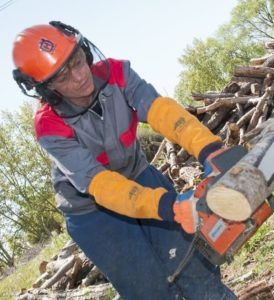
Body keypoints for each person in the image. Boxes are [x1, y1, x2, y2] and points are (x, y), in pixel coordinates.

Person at [12, 21, 237, 300]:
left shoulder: (117, 73)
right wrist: (167, 206)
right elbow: (102, 185)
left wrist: (208, 149)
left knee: (191, 262)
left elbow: (161, 111)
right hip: (92, 210)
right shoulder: (49, 126)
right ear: (46, 89)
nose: (80, 76)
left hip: (138, 172)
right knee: (149, 287)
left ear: (85, 51)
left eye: (78, 61)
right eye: (63, 77)